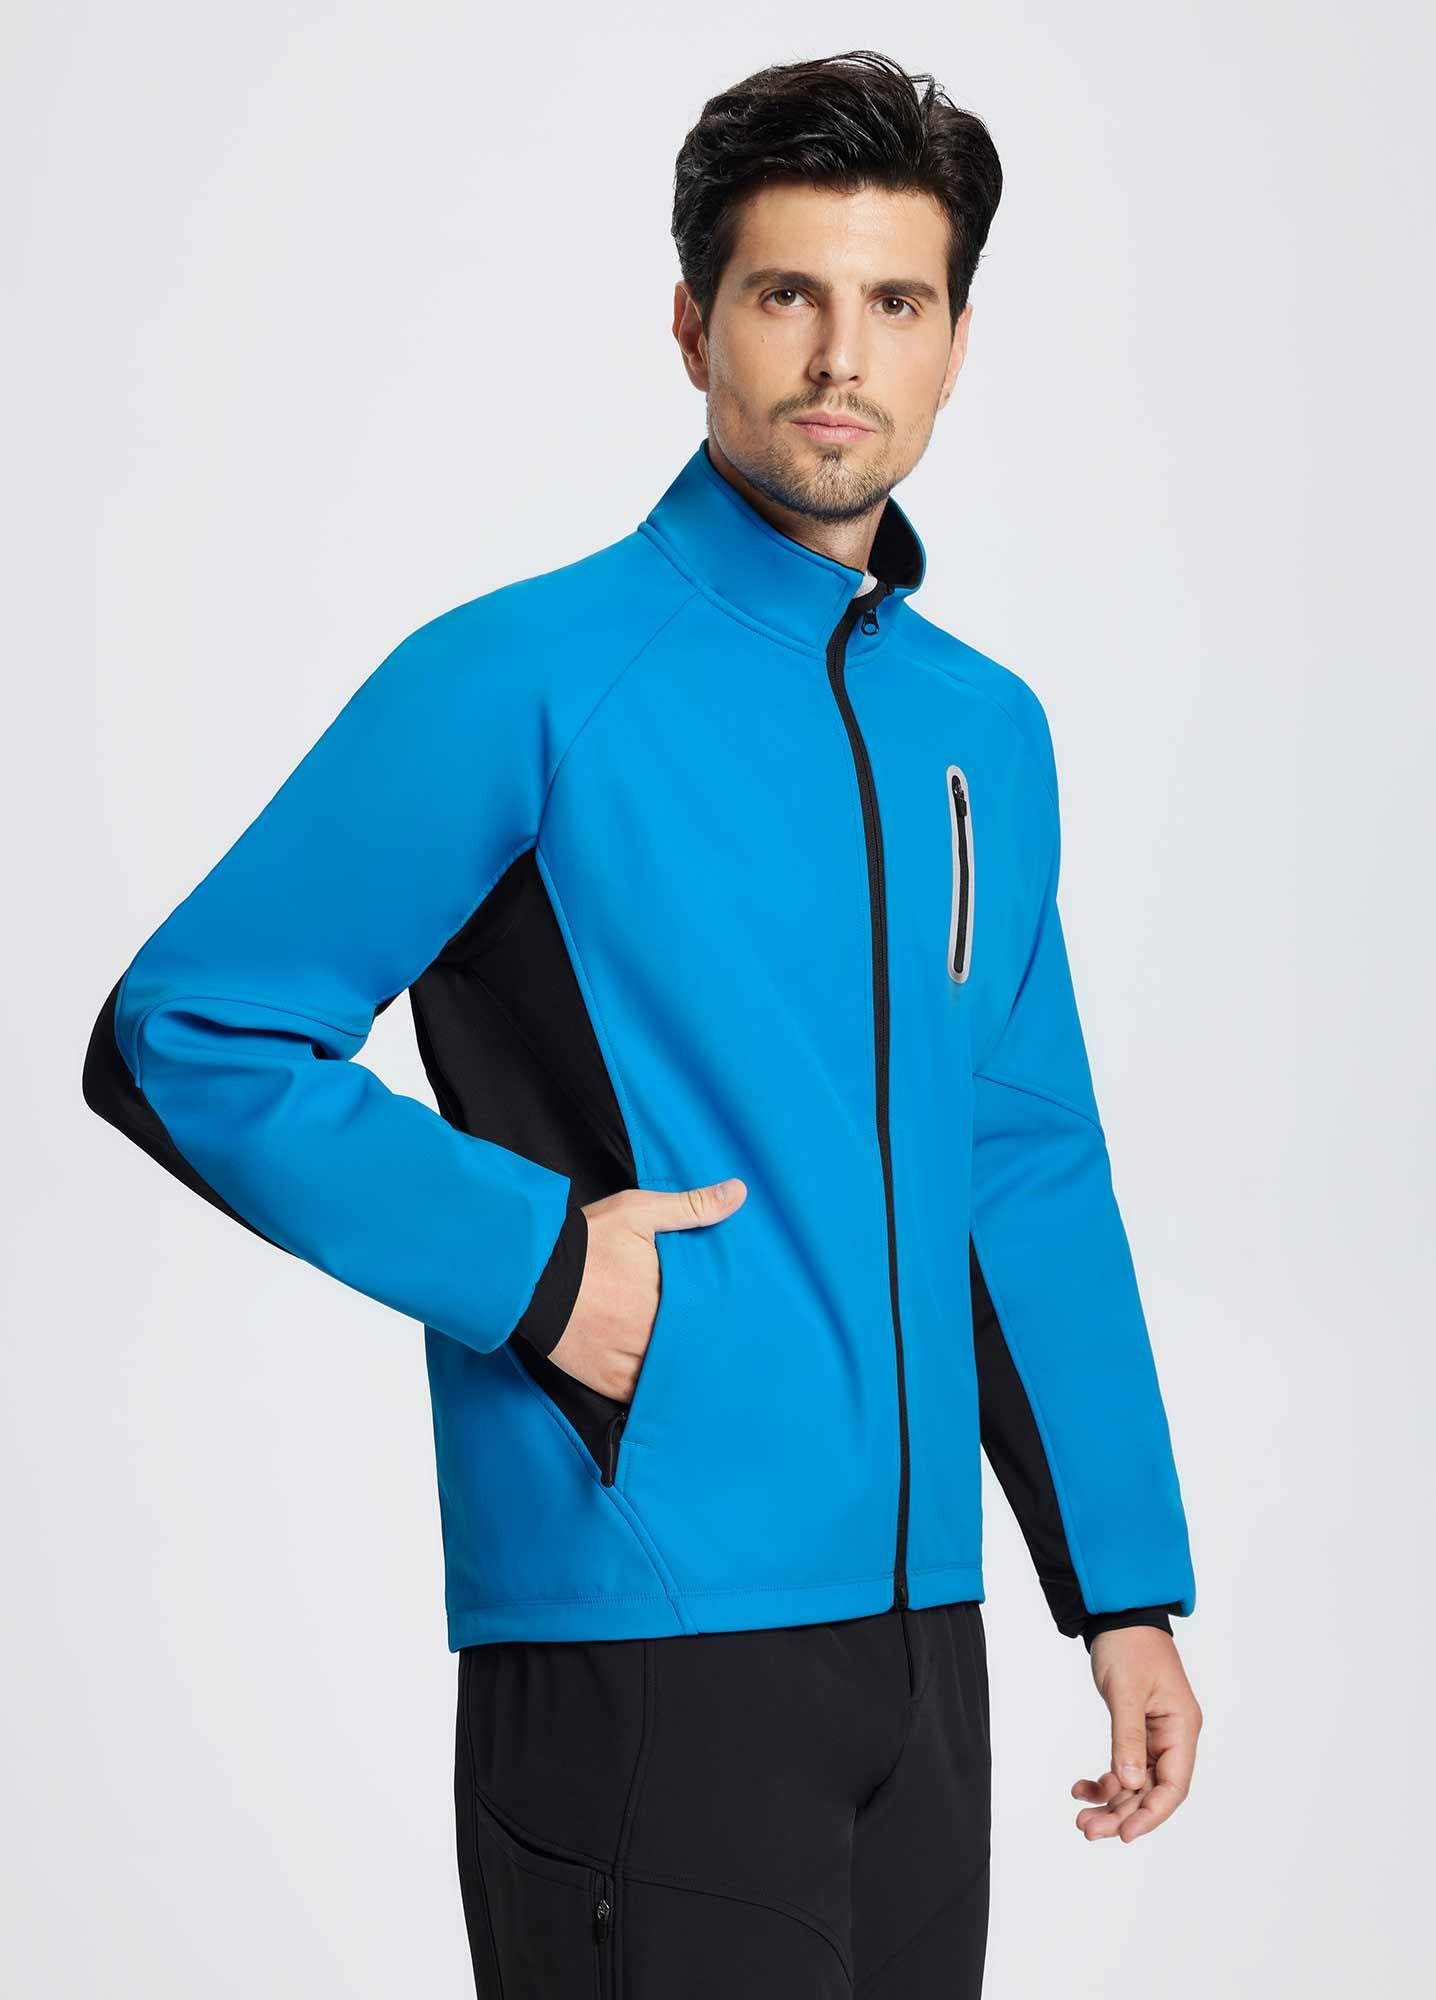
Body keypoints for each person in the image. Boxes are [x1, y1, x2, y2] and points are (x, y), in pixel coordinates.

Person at [83, 47, 1202, 1998]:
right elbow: (188, 1031)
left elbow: (1021, 1167)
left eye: (897, 302)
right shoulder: (522, 677)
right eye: (787, 295)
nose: (841, 357)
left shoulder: (984, 730)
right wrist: (536, 1267)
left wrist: (1122, 1591)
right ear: (694, 324)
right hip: (642, 1630)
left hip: (919, 1656)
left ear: (955, 347)